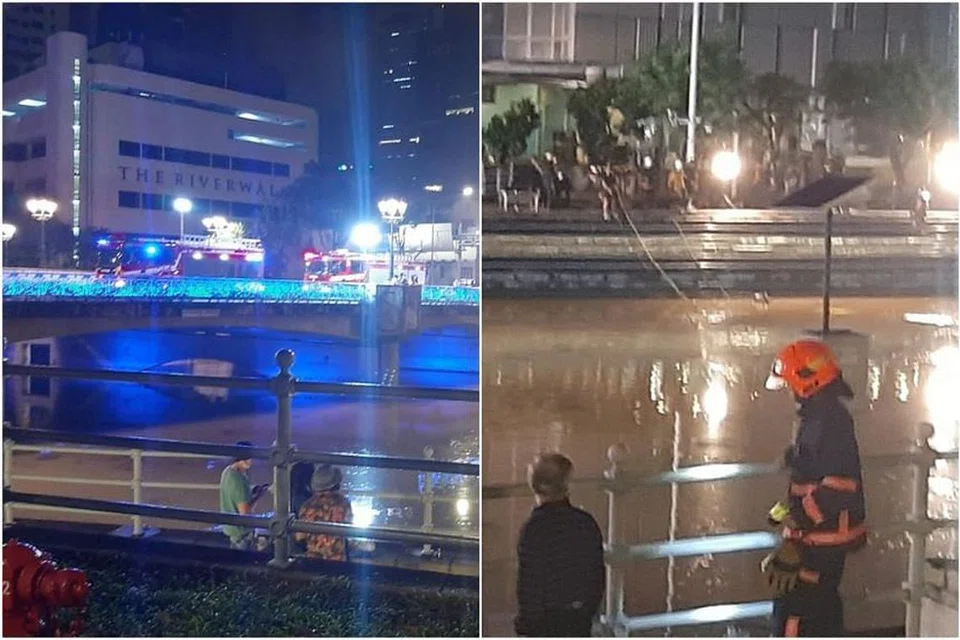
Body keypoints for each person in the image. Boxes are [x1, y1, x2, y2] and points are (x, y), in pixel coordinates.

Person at [761, 339, 867, 637]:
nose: (788, 393)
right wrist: (793, 457)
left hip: (823, 538)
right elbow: (814, 468)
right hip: (821, 535)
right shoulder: (823, 417)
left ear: (806, 382)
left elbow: (837, 488)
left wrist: (796, 532)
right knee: (818, 607)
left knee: (799, 611)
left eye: (789, 384)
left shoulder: (828, 422)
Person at [514, 453, 605, 638]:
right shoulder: (585, 523)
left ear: (535, 486)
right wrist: (587, 610)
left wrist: (526, 625)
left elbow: (530, 583)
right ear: (566, 485)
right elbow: (596, 576)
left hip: (546, 622)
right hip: (578, 618)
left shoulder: (534, 529)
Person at [295, 464, 353, 561]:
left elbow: (300, 536)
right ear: (336, 484)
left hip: (312, 561)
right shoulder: (343, 503)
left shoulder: (307, 505)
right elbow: (350, 535)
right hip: (337, 562)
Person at [219, 440, 269, 550]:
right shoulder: (239, 481)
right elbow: (245, 512)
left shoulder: (228, 471)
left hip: (232, 530)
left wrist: (253, 490)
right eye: (247, 458)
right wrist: (259, 495)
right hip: (242, 533)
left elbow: (238, 494)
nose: (250, 461)